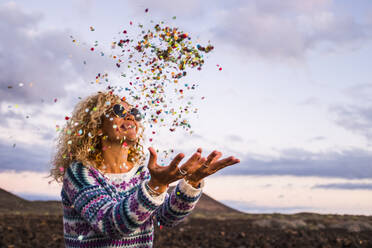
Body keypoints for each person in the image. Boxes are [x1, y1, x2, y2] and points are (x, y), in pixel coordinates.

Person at [50, 91, 240, 247]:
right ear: (97, 127)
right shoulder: (79, 173)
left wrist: (191, 183)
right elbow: (110, 225)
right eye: (118, 111)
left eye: (134, 112)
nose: (131, 115)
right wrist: (155, 186)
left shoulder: (142, 172)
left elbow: (166, 218)